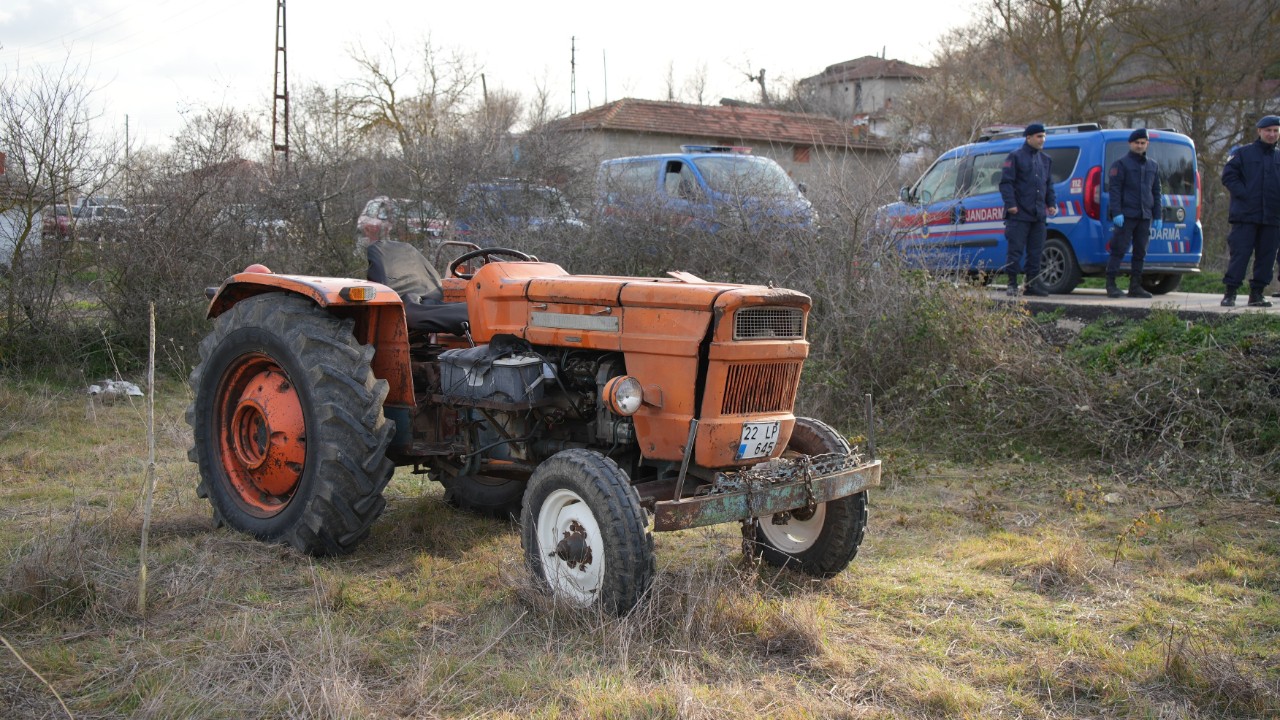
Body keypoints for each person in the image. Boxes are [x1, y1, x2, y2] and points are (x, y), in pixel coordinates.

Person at [1220, 114, 1280, 307]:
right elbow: (1229, 176)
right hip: (1246, 216)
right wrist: (1244, 194)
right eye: (1268, 130)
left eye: (1275, 131)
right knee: (1240, 255)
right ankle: (1230, 293)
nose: (1272, 134)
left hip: (1272, 217)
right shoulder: (1243, 153)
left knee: (1266, 257)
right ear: (1259, 131)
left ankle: (1257, 294)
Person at [999, 122, 1059, 296]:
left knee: (1036, 250)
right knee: (1015, 250)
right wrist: (1011, 205)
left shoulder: (1046, 160)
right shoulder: (1015, 157)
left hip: (1038, 214)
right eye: (1039, 136)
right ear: (1029, 137)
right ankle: (1012, 283)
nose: (1042, 140)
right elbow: (1006, 183)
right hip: (1019, 214)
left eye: (1044, 136)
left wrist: (1052, 204)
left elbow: (1048, 185)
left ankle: (1032, 284)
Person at [1105, 128, 1163, 298]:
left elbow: (1156, 192)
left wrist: (1157, 215)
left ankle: (1135, 286)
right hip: (1126, 215)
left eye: (1142, 143)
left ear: (1147, 144)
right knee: (1118, 250)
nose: (1139, 146)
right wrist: (1116, 212)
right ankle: (1111, 284)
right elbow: (1114, 190)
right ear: (1130, 144)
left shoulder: (1153, 165)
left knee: (1140, 252)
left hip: (1144, 216)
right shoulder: (1121, 164)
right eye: (1136, 143)